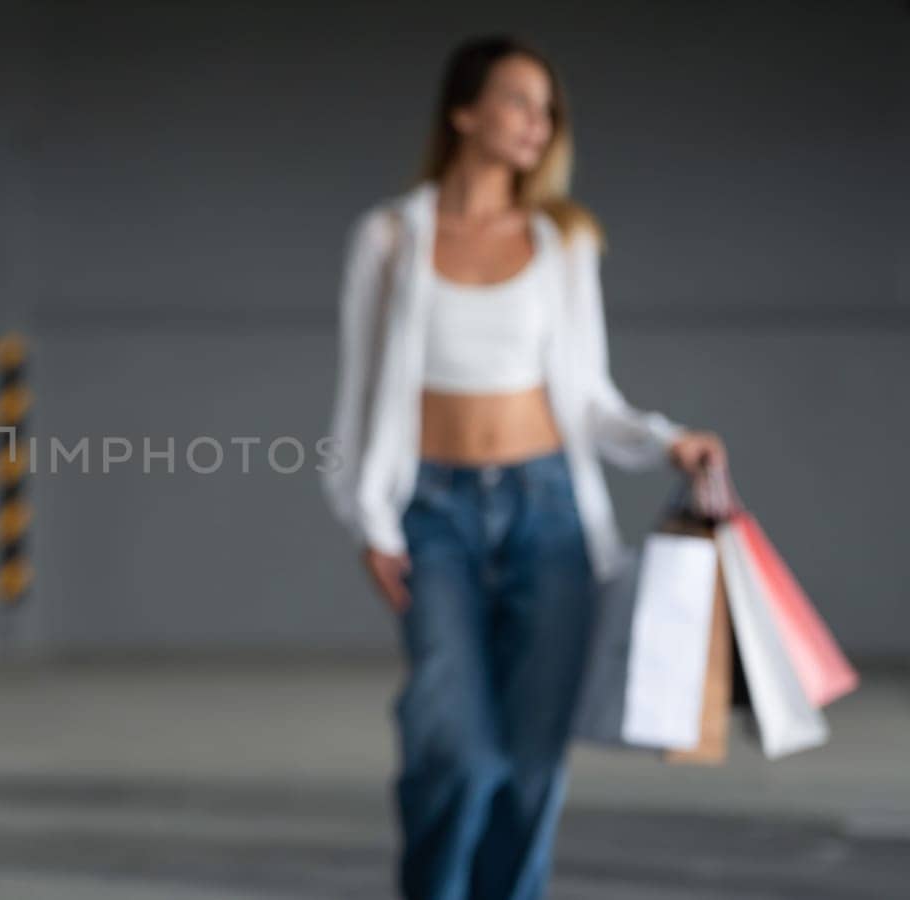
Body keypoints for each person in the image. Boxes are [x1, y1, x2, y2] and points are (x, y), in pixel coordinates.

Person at [322, 35, 727, 900]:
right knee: (454, 749)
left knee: (532, 764)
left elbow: (590, 398)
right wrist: (370, 522)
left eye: (547, 109)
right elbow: (356, 398)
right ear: (463, 112)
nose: (538, 123)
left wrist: (665, 439)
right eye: (518, 101)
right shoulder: (389, 238)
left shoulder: (560, 241)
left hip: (551, 515)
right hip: (433, 516)